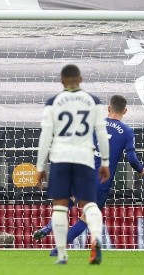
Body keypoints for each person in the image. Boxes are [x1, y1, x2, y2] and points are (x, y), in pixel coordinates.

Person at [33, 94, 144, 256]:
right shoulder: (127, 132)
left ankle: (48, 227)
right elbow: (131, 158)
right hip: (101, 182)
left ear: (108, 108)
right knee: (86, 218)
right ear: (125, 111)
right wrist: (141, 170)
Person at [34, 64, 111, 265]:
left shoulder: (54, 102)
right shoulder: (93, 101)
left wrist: (40, 167)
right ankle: (95, 240)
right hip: (84, 158)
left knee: (60, 207)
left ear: (62, 81)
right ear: (81, 79)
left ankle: (61, 254)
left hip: (60, 157)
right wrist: (105, 162)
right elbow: (101, 133)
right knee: (89, 204)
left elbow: (45, 136)